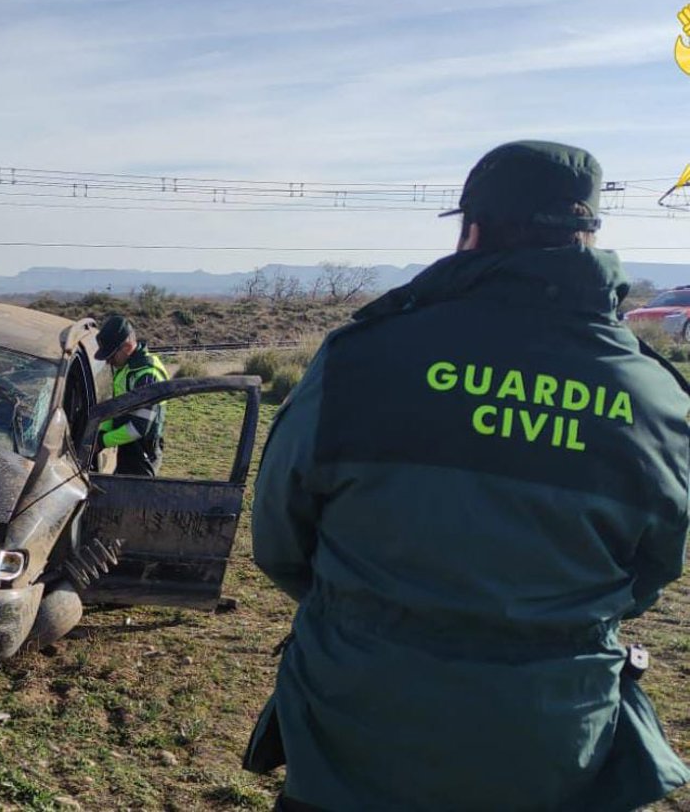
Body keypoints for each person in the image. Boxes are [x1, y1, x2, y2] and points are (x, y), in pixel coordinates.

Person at [244, 141, 690, 811]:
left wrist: (374, 616)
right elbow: (652, 570)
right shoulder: (654, 396)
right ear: (589, 233)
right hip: (551, 745)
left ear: (472, 231)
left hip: (355, 734)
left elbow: (280, 540)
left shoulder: (361, 359)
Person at [94, 314, 170, 476]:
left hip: (142, 454)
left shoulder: (147, 376)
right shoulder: (127, 368)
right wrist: (102, 431)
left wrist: (102, 441)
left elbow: (139, 428)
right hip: (128, 447)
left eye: (111, 355)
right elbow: (115, 406)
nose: (108, 361)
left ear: (127, 347)